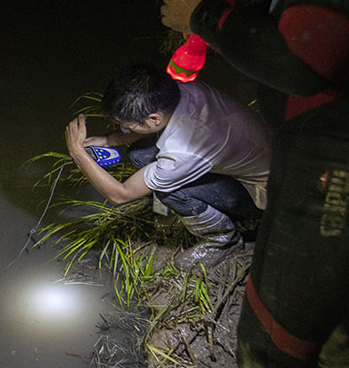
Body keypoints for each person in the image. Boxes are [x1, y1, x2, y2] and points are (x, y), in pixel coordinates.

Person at [159, 0, 349, 368]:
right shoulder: (191, 106)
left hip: (331, 165)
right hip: (312, 150)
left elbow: (307, 58)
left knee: (270, 363)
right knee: (335, 303)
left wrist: (205, 15)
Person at [65, 63, 270, 268]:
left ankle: (223, 239)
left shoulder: (182, 152)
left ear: (154, 118)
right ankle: (201, 213)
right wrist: (108, 140)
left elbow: (120, 195)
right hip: (260, 155)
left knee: (166, 190)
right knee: (140, 154)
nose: (124, 129)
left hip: (265, 197)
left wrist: (77, 153)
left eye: (127, 125)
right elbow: (155, 127)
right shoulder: (183, 85)